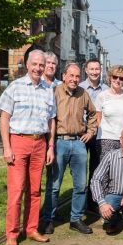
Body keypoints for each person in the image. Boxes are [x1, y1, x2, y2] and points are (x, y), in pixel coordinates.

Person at [0, 50, 56, 245]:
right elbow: (4, 117)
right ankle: (12, 234)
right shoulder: (15, 87)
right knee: (16, 191)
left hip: (40, 143)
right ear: (27, 65)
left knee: (35, 190)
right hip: (18, 142)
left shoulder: (48, 90)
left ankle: (31, 229)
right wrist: (7, 146)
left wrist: (50, 146)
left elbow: (51, 120)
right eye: (35, 64)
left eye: (42, 65)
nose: (38, 68)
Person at [42, 63, 97, 235]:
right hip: (59, 142)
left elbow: (93, 114)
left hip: (79, 143)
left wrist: (90, 131)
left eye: (77, 76)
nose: (74, 79)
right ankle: (47, 219)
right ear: (64, 76)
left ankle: (76, 219)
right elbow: (47, 116)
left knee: (80, 184)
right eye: (71, 76)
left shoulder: (83, 93)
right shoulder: (55, 92)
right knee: (54, 184)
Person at [79, 58, 108, 211]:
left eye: (97, 69)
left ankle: (92, 201)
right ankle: (79, 203)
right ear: (86, 70)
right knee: (81, 169)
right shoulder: (80, 87)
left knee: (96, 169)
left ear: (100, 70)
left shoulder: (106, 89)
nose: (95, 72)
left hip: (100, 134)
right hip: (83, 133)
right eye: (92, 69)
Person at [95, 65, 123, 160]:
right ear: (110, 78)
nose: (118, 80)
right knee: (107, 169)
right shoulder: (102, 96)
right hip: (106, 138)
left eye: (121, 78)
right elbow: (98, 119)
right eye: (115, 77)